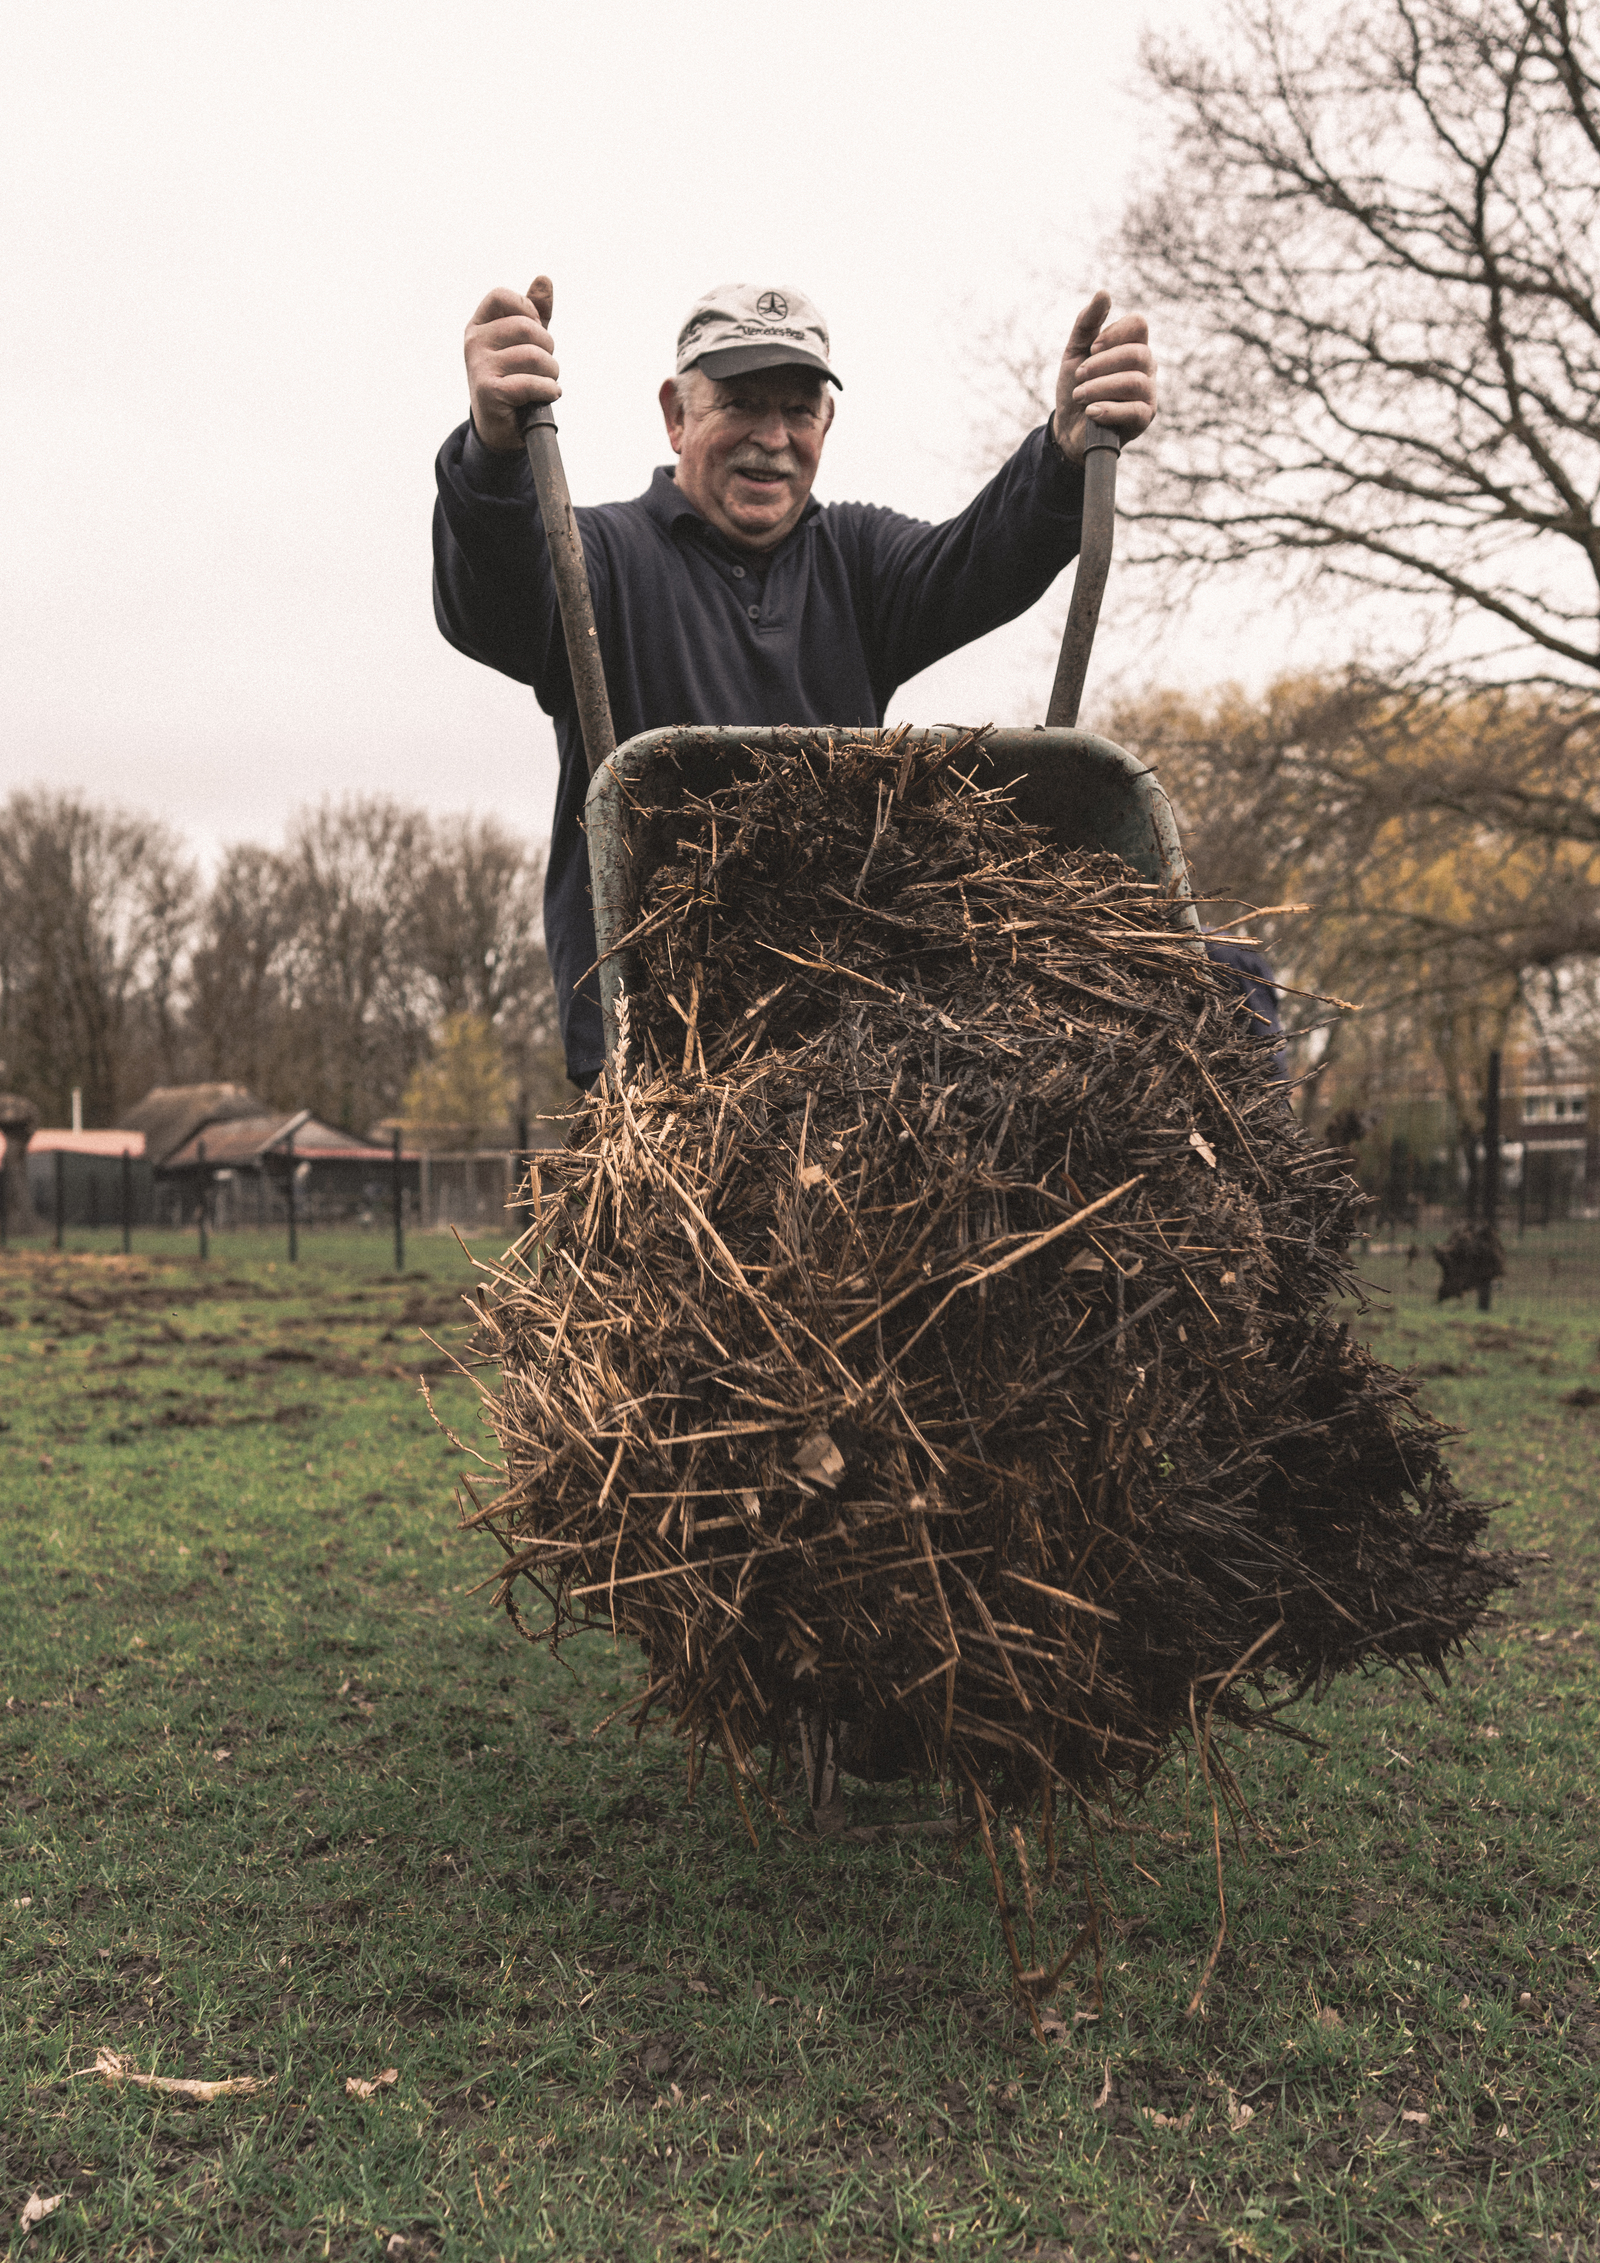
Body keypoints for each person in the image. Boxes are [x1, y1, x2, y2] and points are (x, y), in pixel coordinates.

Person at [433, 277, 1158, 1085]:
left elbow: (980, 561)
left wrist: (1063, 454)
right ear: (676, 414)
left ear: (826, 423)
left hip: (844, 1051)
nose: (772, 437)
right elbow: (495, 602)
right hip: (659, 1055)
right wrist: (495, 452)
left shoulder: (857, 562)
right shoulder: (599, 558)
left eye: (798, 410)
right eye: (741, 404)